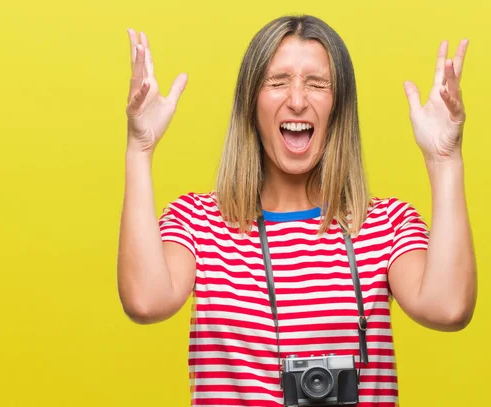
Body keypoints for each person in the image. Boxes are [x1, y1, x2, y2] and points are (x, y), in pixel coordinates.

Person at [117, 15, 477, 407]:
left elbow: (449, 308)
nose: (297, 100)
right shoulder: (198, 221)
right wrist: (140, 149)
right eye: (277, 82)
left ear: (338, 106)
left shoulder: (385, 224)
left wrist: (445, 161)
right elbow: (145, 302)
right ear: (250, 103)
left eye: (318, 84)